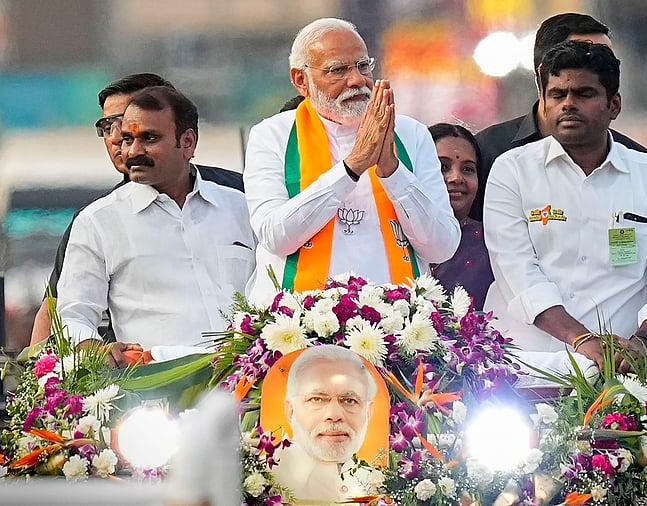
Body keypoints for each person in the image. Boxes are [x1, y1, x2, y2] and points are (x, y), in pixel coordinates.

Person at [483, 40, 647, 375]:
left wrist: (645, 341)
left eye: (583, 94)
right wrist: (582, 339)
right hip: (525, 371)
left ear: (613, 105)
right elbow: (517, 272)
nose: (568, 104)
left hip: (622, 375)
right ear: (543, 102)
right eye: (557, 95)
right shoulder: (512, 171)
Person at [243, 17, 459, 304]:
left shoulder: (411, 134)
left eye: (362, 65)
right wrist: (352, 167)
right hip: (296, 328)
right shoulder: (272, 136)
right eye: (338, 70)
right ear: (300, 80)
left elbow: (443, 246)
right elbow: (275, 236)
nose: (357, 80)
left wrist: (393, 172)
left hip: (400, 330)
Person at [29, 73, 244, 348]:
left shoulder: (241, 199)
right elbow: (64, 313)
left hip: (252, 378)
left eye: (145, 131)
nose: (120, 139)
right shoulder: (95, 221)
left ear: (186, 139)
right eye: (110, 127)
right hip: (153, 382)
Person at [471, 12, 647, 221]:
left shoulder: (641, 165)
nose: (602, 67)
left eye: (608, 61)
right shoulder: (488, 154)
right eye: (584, 55)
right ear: (544, 73)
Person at [273, 345, 376, 503]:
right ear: (290, 410)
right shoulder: (258, 478)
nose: (334, 415)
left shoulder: (383, 483)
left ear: (368, 412)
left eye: (349, 400)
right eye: (317, 399)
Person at [428, 123, 493, 309]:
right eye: (443, 167)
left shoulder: (493, 243)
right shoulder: (390, 235)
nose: (456, 178)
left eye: (468, 169)